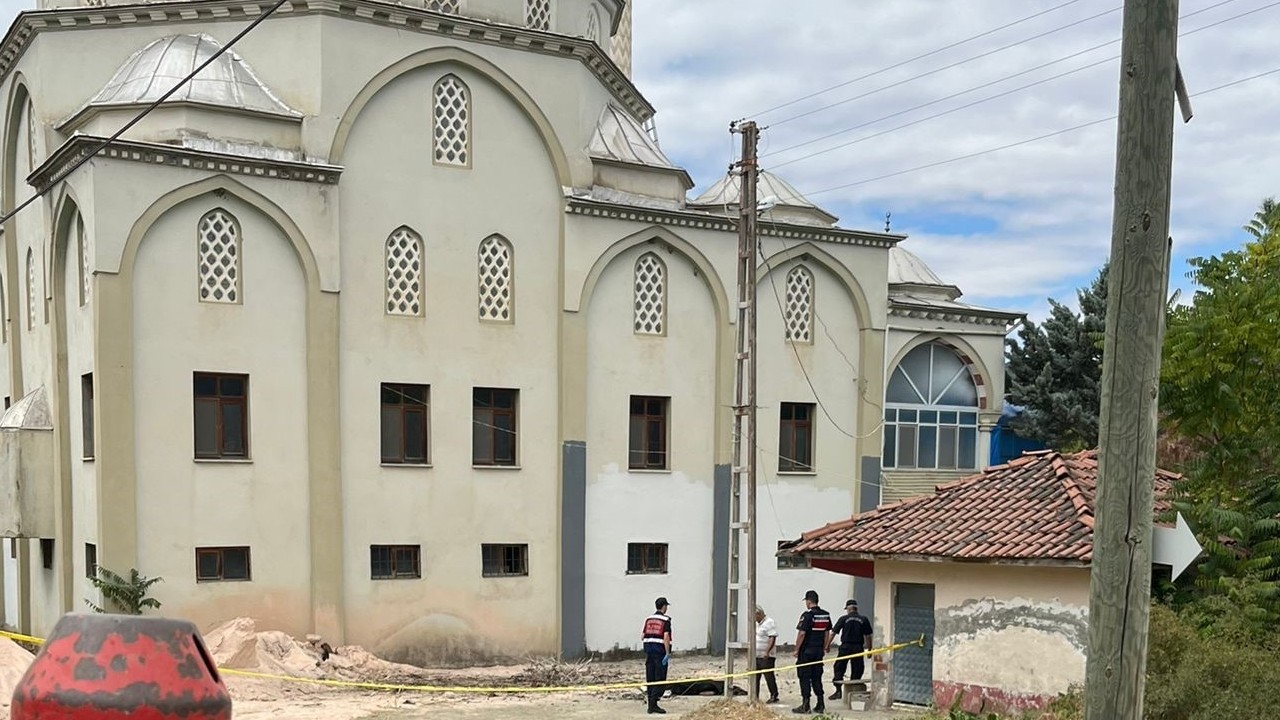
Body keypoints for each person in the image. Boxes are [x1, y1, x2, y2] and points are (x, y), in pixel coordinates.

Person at [792, 589, 832, 714]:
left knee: (804, 677)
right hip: (818, 651)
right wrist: (825, 647)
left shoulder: (807, 615)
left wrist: (796, 649)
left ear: (809, 602)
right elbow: (827, 633)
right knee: (817, 677)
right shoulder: (825, 615)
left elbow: (802, 633)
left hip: (806, 651)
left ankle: (806, 705)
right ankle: (820, 703)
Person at [829, 599, 873, 700]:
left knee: (839, 667)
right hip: (858, 647)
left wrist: (827, 645)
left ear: (848, 609)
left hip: (845, 646)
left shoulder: (843, 619)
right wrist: (869, 650)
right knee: (857, 668)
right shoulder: (864, 619)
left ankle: (838, 691)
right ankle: (853, 690)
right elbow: (868, 636)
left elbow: (833, 633)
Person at [641, 596, 673, 715]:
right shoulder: (666, 620)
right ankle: (653, 704)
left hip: (649, 651)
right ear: (664, 607)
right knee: (660, 679)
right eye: (666, 606)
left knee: (650, 678)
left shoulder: (649, 619)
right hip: (660, 652)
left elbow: (642, 636)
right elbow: (666, 636)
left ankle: (651, 705)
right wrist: (667, 653)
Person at [753, 605, 780, 704]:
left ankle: (774, 694)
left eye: (754, 616)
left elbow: (772, 637)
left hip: (766, 655)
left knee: (768, 675)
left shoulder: (769, 622)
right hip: (756, 655)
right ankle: (755, 696)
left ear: (759, 614)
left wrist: (767, 651)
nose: (754, 618)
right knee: (755, 676)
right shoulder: (757, 624)